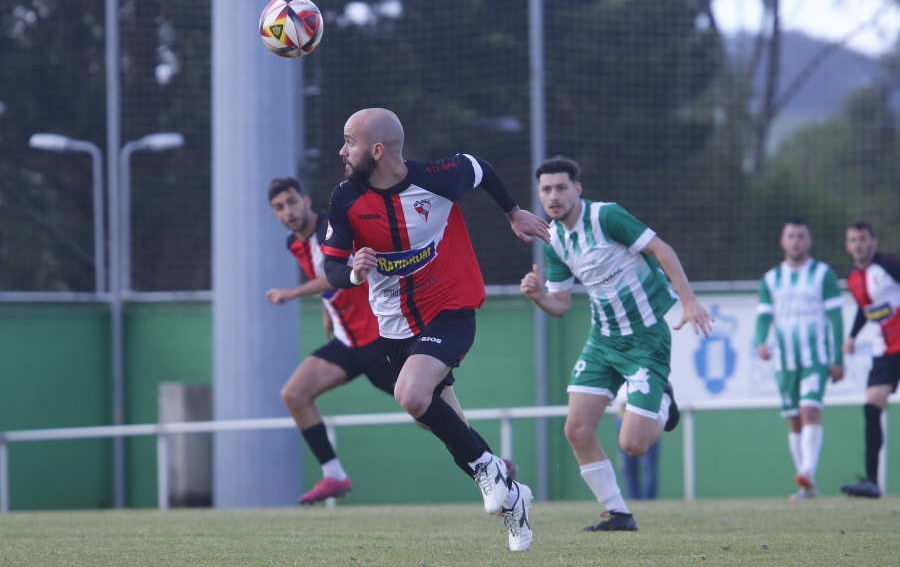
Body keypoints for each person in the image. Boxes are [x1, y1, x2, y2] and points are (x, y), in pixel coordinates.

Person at [322, 108, 550, 552]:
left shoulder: (438, 178)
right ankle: (513, 499)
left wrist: (514, 211)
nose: (340, 150)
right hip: (394, 329)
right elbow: (331, 265)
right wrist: (352, 272)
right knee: (443, 424)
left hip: (451, 309)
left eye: (348, 141)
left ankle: (488, 468)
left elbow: (480, 169)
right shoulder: (345, 198)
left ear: (377, 150)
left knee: (410, 395)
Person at [266, 177, 515, 505]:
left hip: (377, 340)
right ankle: (334, 475)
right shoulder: (293, 243)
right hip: (346, 341)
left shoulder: (332, 224)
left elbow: (340, 271)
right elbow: (331, 280)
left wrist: (293, 293)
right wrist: (329, 307)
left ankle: (493, 468)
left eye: (292, 202)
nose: (289, 211)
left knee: (430, 416)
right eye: (280, 207)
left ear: (306, 199)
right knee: (295, 394)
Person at [519, 155, 712, 532]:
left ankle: (664, 400)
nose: (553, 196)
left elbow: (663, 250)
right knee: (576, 429)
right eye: (546, 190)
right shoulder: (553, 239)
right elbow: (559, 304)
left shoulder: (606, 217)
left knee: (633, 445)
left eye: (561, 187)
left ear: (577, 189)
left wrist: (688, 301)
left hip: (645, 339)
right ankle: (618, 513)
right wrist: (538, 296)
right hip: (603, 342)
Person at [754, 218, 844, 500]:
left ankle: (807, 470)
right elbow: (764, 315)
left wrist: (837, 357)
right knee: (794, 420)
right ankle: (808, 485)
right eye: (791, 236)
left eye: (801, 236)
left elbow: (836, 318)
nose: (796, 241)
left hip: (815, 358)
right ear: (783, 241)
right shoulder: (771, 278)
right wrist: (760, 341)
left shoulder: (823, 274)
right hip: (785, 362)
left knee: (810, 411)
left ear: (809, 241)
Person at [840, 220, 900, 499]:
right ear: (847, 245)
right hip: (884, 352)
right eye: (853, 240)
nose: (858, 244)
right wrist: (852, 336)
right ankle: (872, 483)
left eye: (863, 239)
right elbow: (867, 310)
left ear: (873, 242)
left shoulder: (888, 266)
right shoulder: (853, 278)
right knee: (871, 408)